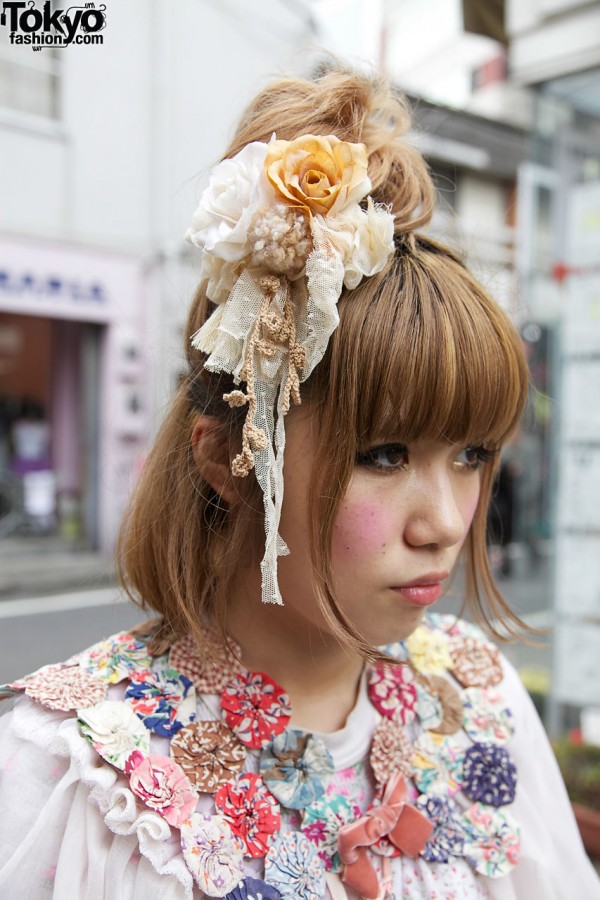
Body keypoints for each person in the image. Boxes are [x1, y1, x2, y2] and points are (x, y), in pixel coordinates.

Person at [0, 70, 597, 900]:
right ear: (228, 460)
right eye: (384, 454)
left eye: (470, 454)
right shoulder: (75, 772)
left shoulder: (479, 695)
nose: (447, 523)